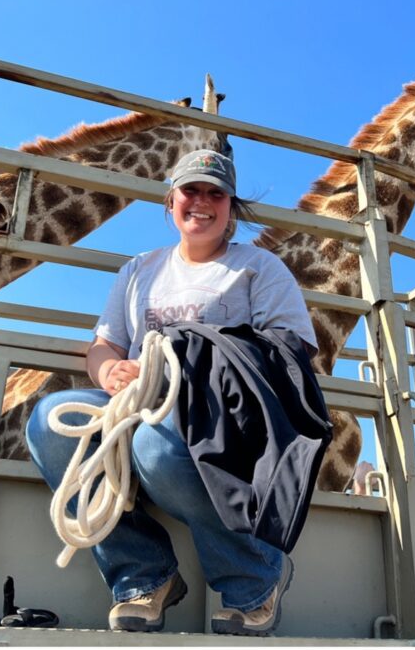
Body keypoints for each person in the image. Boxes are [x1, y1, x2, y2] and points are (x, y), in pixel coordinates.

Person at [26, 149, 318, 635]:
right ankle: (144, 576)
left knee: (155, 447)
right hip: (137, 401)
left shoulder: (258, 269)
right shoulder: (139, 269)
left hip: (217, 414)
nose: (201, 202)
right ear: (171, 200)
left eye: (215, 193)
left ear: (230, 206)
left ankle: (255, 580)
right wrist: (110, 373)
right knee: (50, 421)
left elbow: (291, 350)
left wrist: (192, 359)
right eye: (191, 190)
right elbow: (104, 344)